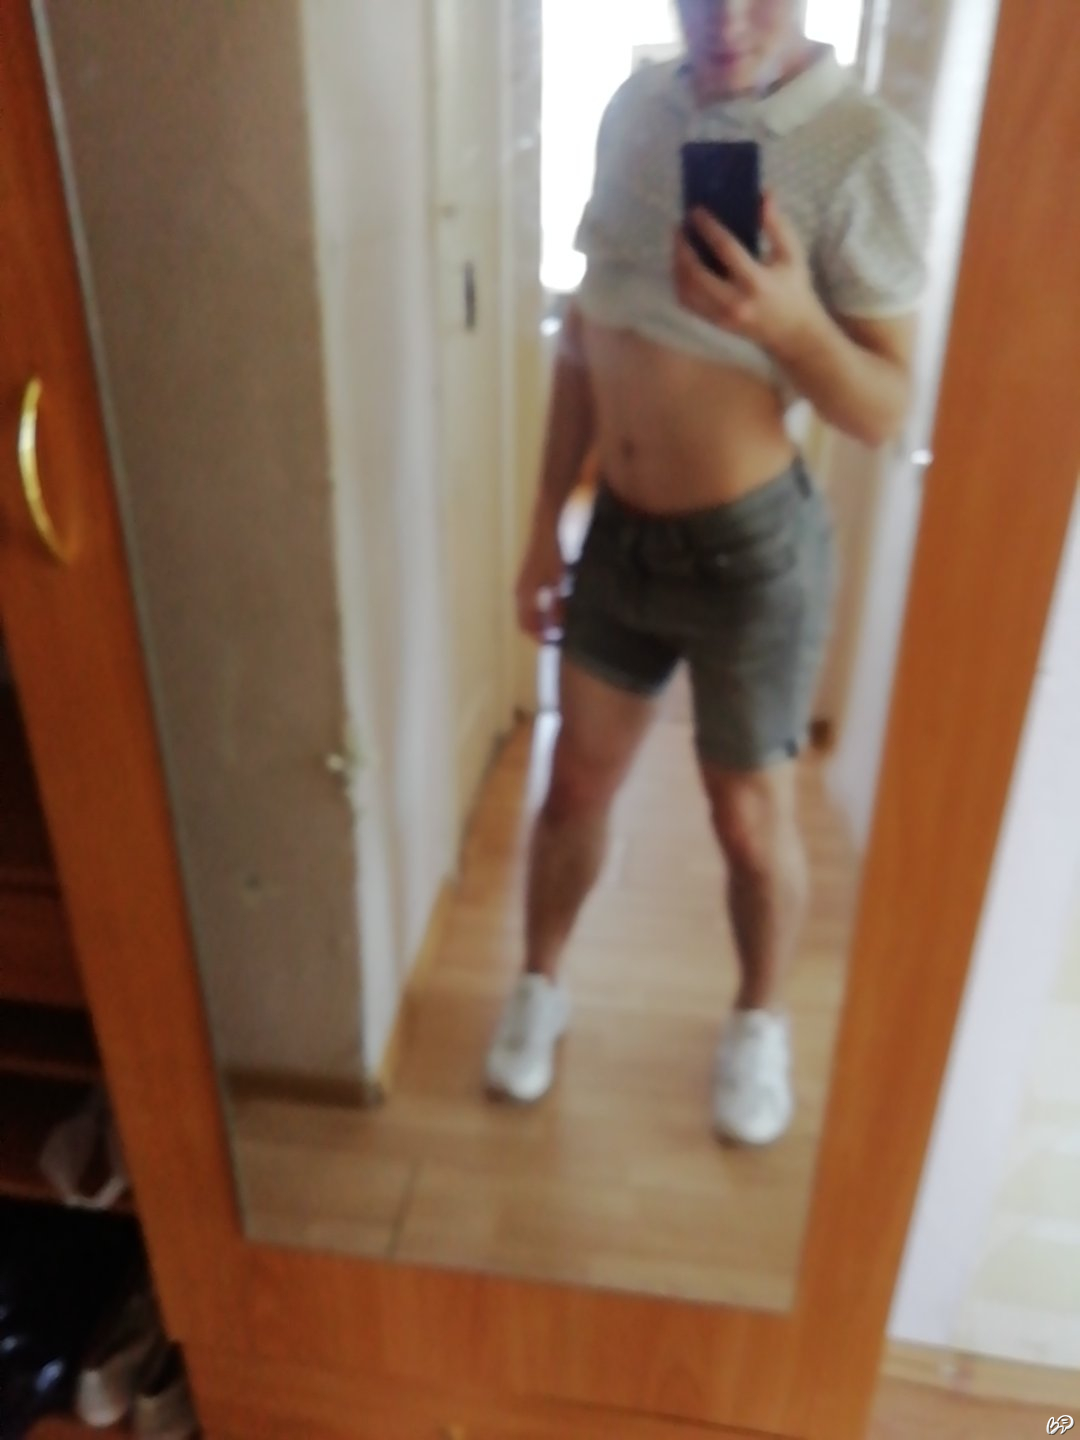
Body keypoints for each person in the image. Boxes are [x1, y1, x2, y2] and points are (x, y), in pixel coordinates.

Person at [486, 0, 932, 1144]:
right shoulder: (636, 108)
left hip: (752, 557)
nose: (723, 21)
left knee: (747, 819)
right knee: (574, 788)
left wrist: (791, 326)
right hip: (619, 539)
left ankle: (758, 1020)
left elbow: (883, 409)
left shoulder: (866, 149)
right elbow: (584, 337)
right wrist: (543, 525)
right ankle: (539, 983)